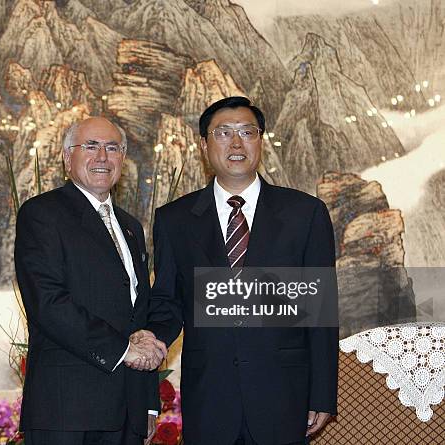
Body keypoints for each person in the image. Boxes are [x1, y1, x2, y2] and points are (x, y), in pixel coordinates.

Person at [139, 96, 338, 444]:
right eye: (223, 133)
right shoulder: (175, 220)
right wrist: (151, 339)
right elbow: (168, 301)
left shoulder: (305, 214)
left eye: (247, 132)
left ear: (260, 141)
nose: (235, 143)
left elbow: (319, 314)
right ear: (204, 145)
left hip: (284, 395)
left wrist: (321, 394)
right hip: (211, 396)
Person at [15, 117, 166, 445]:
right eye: (91, 146)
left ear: (122, 160)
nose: (102, 156)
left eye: (112, 148)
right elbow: (48, 304)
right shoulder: (42, 214)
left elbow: (138, 317)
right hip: (67, 410)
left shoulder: (130, 228)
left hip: (128, 410)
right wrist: (123, 350)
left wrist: (149, 405)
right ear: (68, 157)